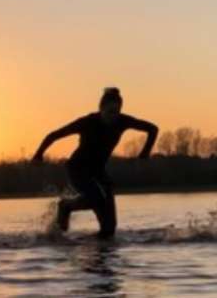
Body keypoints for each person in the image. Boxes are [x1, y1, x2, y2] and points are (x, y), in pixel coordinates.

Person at [31, 87, 158, 238]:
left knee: (109, 230)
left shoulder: (122, 121)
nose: (113, 116)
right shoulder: (87, 122)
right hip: (77, 168)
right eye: (110, 112)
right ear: (101, 109)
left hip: (99, 171)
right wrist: (38, 155)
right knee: (95, 198)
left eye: (116, 112)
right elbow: (53, 135)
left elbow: (152, 129)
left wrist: (144, 153)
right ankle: (66, 206)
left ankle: (93, 249)